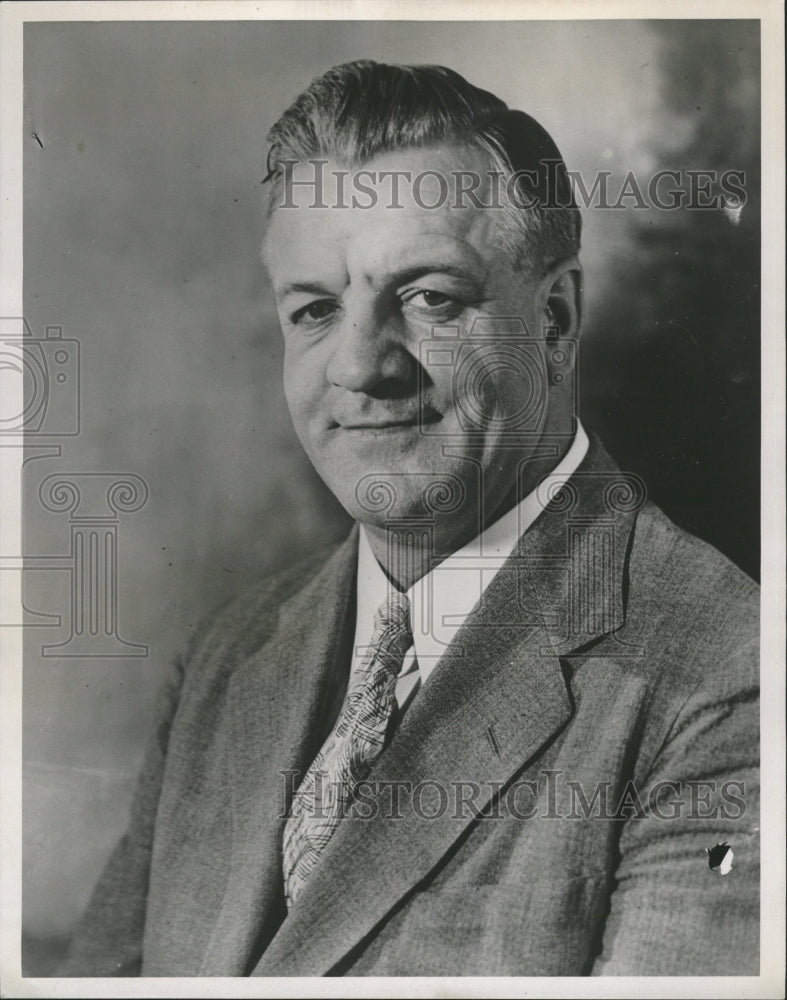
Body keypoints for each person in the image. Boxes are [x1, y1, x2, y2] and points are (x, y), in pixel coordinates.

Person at [58, 60, 759, 978]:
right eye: (314, 309)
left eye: (429, 297)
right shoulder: (227, 660)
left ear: (553, 321)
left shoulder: (730, 681)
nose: (359, 367)